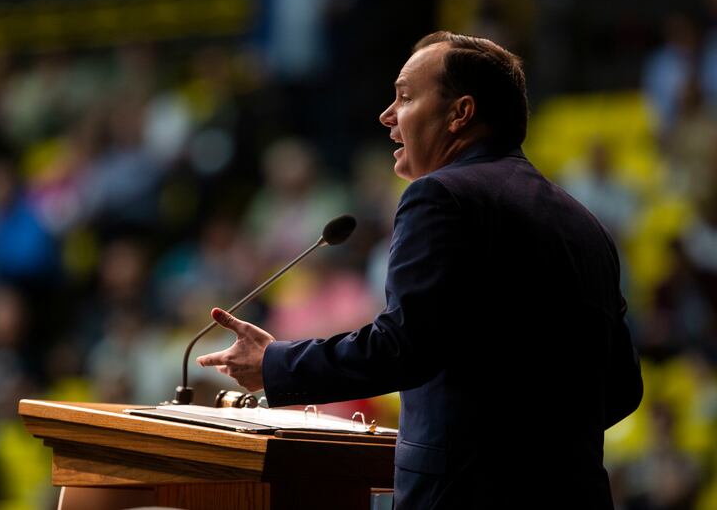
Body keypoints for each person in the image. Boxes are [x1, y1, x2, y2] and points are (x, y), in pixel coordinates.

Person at [197, 31, 644, 509]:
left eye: (406, 97)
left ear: (460, 113)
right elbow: (621, 387)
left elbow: (402, 346)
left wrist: (274, 363)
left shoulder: (440, 196)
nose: (387, 115)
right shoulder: (584, 223)